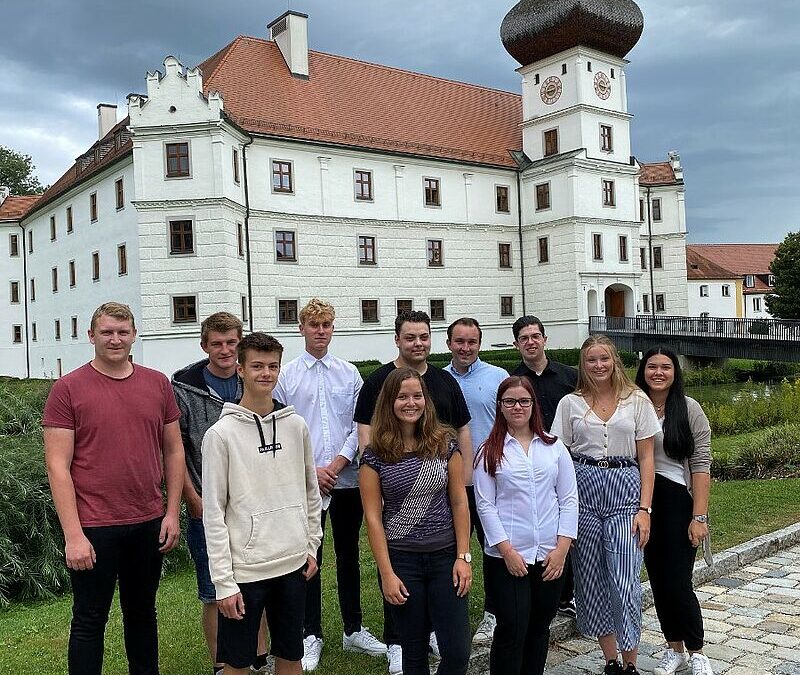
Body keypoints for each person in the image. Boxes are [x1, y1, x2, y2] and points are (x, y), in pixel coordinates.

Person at [43, 301, 185, 675]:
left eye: (123, 332)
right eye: (106, 332)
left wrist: (172, 512)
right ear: (91, 336)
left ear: (134, 335)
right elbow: (58, 467)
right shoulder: (68, 389)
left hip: (148, 520)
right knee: (90, 620)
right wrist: (73, 535)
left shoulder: (157, 383)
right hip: (94, 526)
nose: (115, 339)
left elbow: (173, 449)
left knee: (142, 614)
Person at [354, 310, 472, 674]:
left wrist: (464, 557)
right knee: (414, 653)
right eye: (402, 397)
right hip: (402, 559)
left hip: (445, 558)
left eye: (417, 396)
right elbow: (373, 518)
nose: (411, 403)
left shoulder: (444, 445)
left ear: (426, 400)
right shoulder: (375, 456)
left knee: (456, 651)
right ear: (390, 401)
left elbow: (458, 501)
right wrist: (386, 573)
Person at [273, 299, 386, 670]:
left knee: (349, 554)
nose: (320, 331)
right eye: (314, 325)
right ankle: (311, 633)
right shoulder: (287, 376)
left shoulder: (349, 373)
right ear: (301, 329)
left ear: (333, 329)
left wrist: (337, 463)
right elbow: (284, 428)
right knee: (310, 558)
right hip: (307, 482)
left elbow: (359, 424)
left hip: (347, 479)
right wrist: (312, 471)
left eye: (326, 325)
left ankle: (353, 628)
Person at [202, 332, 322, 675]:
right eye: (256, 366)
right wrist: (224, 582)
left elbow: (310, 492)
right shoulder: (220, 436)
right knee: (237, 662)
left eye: (272, 366)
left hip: (292, 563)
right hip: (246, 571)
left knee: (291, 655)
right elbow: (214, 514)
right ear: (240, 369)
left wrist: (311, 546)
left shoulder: (295, 426)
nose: (265, 373)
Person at [550, 335, 659, 675]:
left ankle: (630, 662)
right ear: (582, 365)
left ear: (614, 362)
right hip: (584, 488)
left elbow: (647, 458)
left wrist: (645, 509)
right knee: (591, 579)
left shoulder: (636, 400)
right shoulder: (570, 403)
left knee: (625, 580)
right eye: (590, 360)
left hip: (624, 487)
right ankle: (610, 659)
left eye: (603, 359)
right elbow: (559, 456)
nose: (598, 365)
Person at [172, 312, 271, 675]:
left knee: (257, 582)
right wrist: (192, 498)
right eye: (217, 343)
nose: (225, 350)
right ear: (205, 346)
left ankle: (260, 656)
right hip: (207, 502)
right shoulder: (184, 385)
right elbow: (176, 449)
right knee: (214, 591)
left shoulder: (254, 377)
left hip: (254, 504)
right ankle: (220, 661)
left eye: (232, 342)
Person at [473, 376, 578, 675]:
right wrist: (506, 551)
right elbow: (485, 505)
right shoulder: (489, 451)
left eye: (523, 401)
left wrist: (562, 549)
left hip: (549, 555)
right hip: (508, 557)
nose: (517, 407)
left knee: (539, 627)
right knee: (511, 628)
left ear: (533, 405)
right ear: (500, 407)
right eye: (510, 401)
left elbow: (569, 499)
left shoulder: (554, 447)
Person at [635, 347, 715, 675]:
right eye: (651, 366)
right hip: (644, 501)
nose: (658, 372)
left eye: (665, 367)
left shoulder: (689, 409)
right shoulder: (634, 405)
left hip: (678, 499)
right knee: (658, 581)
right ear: (642, 371)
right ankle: (674, 649)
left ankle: (697, 651)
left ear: (674, 371)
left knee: (679, 581)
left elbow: (701, 464)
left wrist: (699, 516)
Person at [444, 317, 508, 645]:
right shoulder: (437, 380)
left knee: (493, 545)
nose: (465, 348)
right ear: (449, 344)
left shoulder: (499, 378)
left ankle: (493, 612)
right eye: (459, 341)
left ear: (479, 344)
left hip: (490, 476)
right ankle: (451, 611)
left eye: (472, 342)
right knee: (453, 546)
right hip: (447, 481)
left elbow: (512, 422)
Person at [511, 315, 579, 617]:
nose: (530, 342)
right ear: (516, 345)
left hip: (568, 461)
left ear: (544, 339)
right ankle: (540, 594)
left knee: (568, 528)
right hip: (529, 465)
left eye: (535, 336)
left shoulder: (570, 376)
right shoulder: (512, 381)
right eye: (524, 338)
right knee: (539, 526)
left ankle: (569, 594)